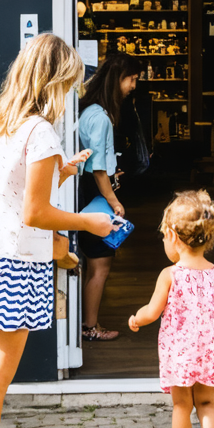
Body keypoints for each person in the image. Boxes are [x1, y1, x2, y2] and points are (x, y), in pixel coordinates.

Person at [0, 33, 116, 428]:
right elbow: (35, 213)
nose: (70, 94)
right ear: (54, 83)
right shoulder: (41, 131)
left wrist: (57, 172)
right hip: (17, 261)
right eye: (69, 84)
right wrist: (89, 223)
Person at [128, 190, 214, 428]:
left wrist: (136, 319)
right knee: (207, 404)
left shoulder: (170, 275)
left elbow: (152, 311)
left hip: (180, 354)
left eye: (164, 236)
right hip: (211, 351)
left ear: (174, 237)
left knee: (181, 405)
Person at [76, 52, 144, 342]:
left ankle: (86, 324)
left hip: (85, 193)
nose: (133, 86)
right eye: (131, 79)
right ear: (118, 79)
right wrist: (115, 202)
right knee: (100, 264)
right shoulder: (102, 119)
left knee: (91, 262)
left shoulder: (87, 111)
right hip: (97, 197)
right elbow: (100, 170)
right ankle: (90, 326)